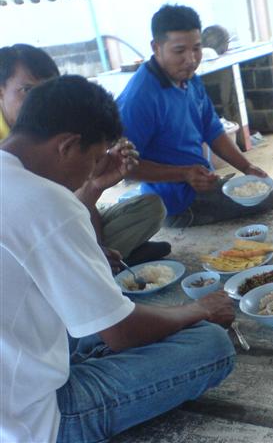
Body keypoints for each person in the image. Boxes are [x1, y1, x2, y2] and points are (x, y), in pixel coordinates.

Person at [0, 75, 236, 443]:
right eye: (93, 160)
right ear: (67, 145)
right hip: (38, 421)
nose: (91, 172)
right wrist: (198, 310)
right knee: (210, 346)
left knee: (114, 318)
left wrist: (93, 188)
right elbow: (122, 333)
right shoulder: (45, 202)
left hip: (14, 379)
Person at [0, 43, 171, 267]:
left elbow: (71, 207)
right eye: (29, 90)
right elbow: (52, 219)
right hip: (25, 247)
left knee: (150, 208)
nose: (45, 102)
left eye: (49, 89)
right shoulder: (15, 156)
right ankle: (102, 261)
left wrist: (94, 183)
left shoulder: (57, 129)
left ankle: (104, 258)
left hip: (52, 223)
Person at [117, 4, 273, 227]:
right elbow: (124, 165)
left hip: (202, 184)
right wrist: (184, 174)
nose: (191, 59)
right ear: (156, 47)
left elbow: (213, 131)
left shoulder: (190, 79)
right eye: (179, 51)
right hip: (174, 203)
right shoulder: (140, 97)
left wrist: (247, 167)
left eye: (196, 48)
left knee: (268, 191)